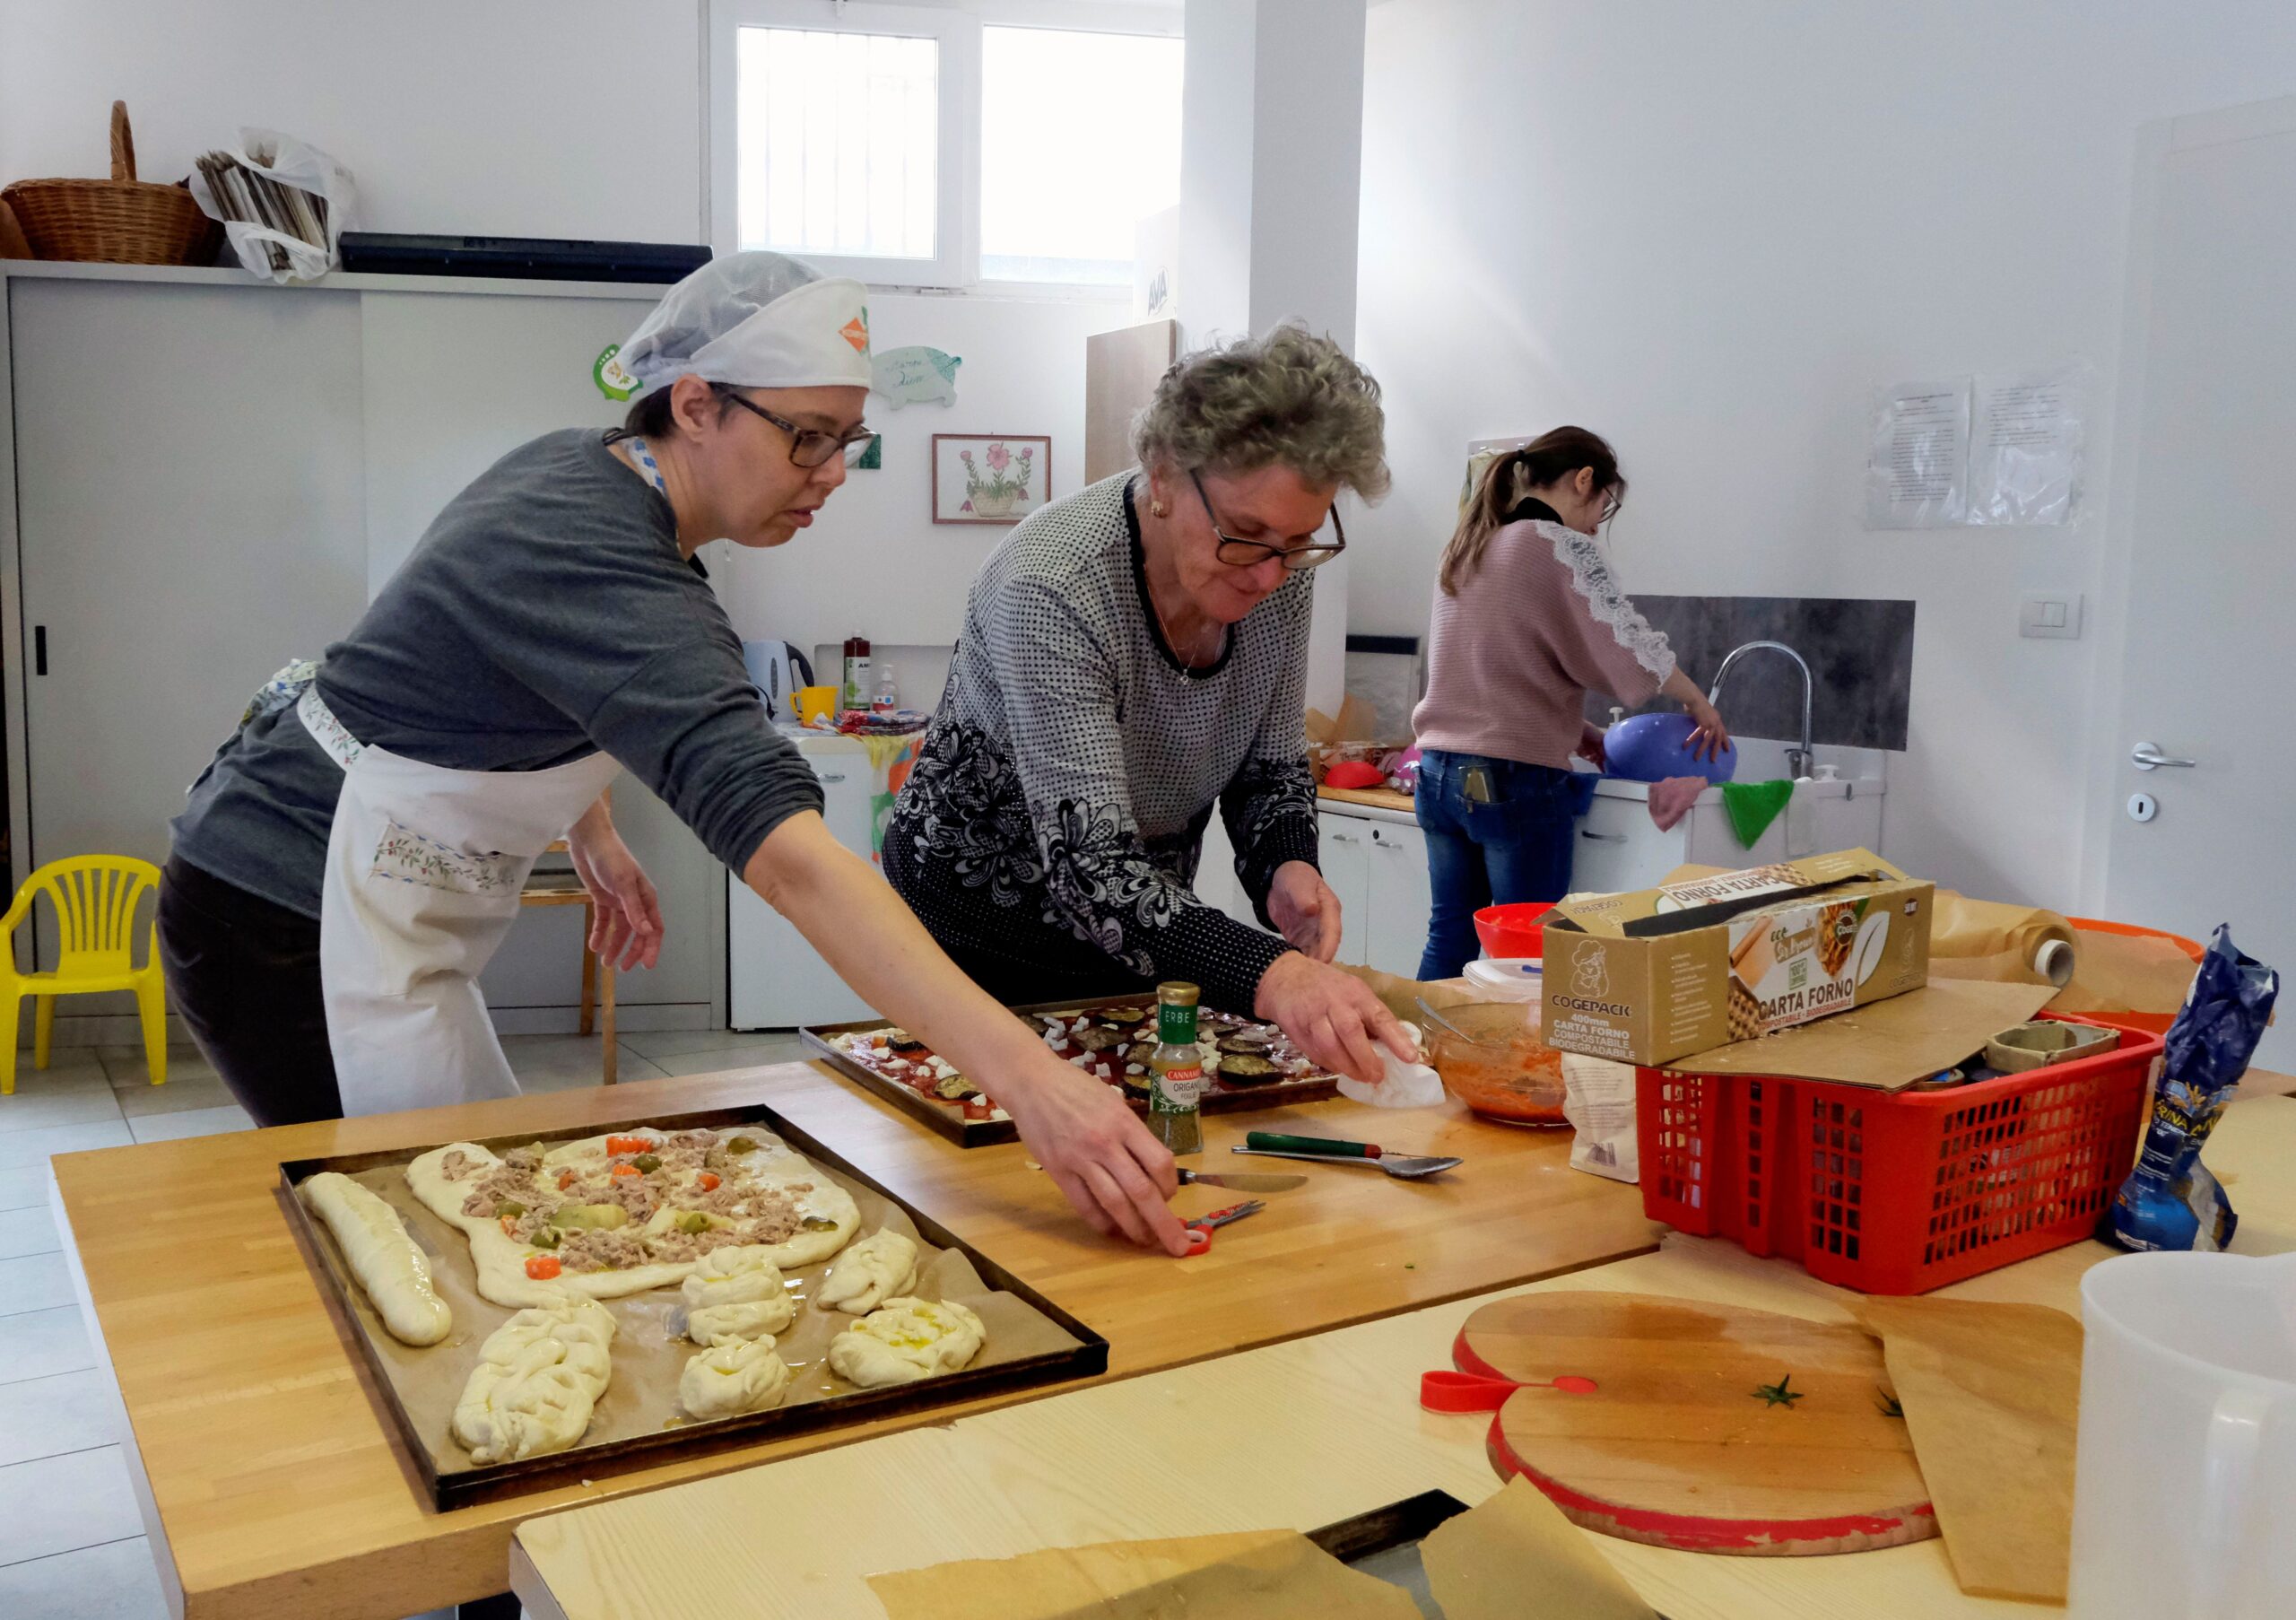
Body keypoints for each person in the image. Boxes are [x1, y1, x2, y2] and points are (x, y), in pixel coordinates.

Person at [160, 251, 1192, 1256]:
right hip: (281, 904)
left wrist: (594, 834)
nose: (834, 474)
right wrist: (1034, 1081)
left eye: (849, 440)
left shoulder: (586, 472)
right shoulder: (605, 557)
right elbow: (793, 865)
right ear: (696, 405)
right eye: (808, 439)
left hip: (362, 905)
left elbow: (508, 676)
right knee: (400, 1229)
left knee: (475, 1195)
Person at [884, 325, 1414, 1085]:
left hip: (1132, 928)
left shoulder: (1276, 573)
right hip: (975, 931)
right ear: (1164, 475)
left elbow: (1268, 765)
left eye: (1298, 542)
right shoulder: (1052, 587)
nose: (1272, 575)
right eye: (1247, 535)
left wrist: (1286, 862)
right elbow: (1091, 866)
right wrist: (1276, 975)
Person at [1409, 427, 1731, 980]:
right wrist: (1698, 699)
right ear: (1585, 480)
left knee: (1451, 936)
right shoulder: (1556, 545)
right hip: (1512, 784)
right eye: (1603, 506)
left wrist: (1575, 731)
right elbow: (1628, 645)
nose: (1595, 525)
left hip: (1438, 773)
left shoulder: (1467, 545)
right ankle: (1524, 1069)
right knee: (1531, 956)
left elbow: (1492, 676)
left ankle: (1421, 1061)